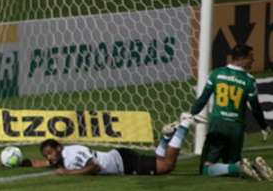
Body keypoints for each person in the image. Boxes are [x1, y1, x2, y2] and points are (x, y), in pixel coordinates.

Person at [180, 44, 273, 180]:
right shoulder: (249, 80)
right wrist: (264, 126)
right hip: (236, 129)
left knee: (206, 170)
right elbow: (255, 108)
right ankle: (254, 167)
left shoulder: (216, 74)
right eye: (251, 58)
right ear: (242, 58)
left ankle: (244, 166)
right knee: (233, 165)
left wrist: (192, 113)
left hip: (218, 125)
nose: (253, 61)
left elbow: (203, 98)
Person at [14, 114, 194, 176]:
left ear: (59, 148)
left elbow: (94, 167)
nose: (49, 157)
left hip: (124, 162)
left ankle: (184, 125)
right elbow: (41, 163)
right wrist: (19, 163)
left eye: (50, 153)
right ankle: (166, 137)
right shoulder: (60, 158)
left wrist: (67, 173)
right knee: (160, 160)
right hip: (121, 159)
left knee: (168, 166)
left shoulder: (73, 153)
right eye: (47, 155)